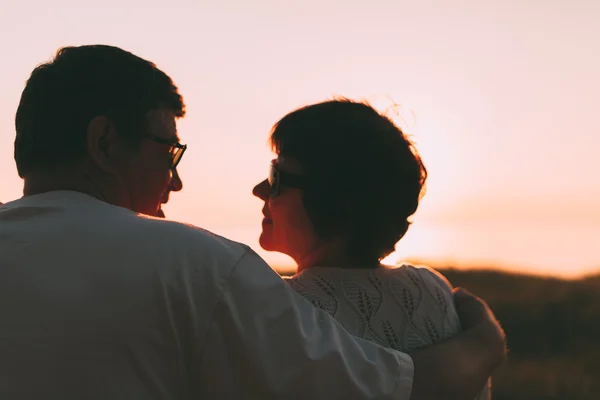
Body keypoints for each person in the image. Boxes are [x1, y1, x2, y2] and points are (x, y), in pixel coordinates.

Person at [0, 45, 505, 399]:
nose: (174, 184)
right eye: (169, 151)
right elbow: (391, 391)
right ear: (104, 142)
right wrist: (485, 344)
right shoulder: (198, 268)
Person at [252, 99, 493, 398]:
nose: (259, 189)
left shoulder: (280, 309)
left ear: (334, 202)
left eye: (277, 177)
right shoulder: (435, 293)